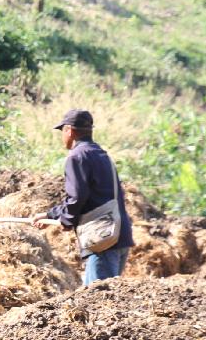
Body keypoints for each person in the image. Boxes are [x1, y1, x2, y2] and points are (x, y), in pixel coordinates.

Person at [33, 109, 135, 284]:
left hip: (103, 239)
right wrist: (50, 215)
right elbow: (93, 196)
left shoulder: (76, 157)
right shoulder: (101, 154)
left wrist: (66, 220)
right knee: (105, 294)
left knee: (100, 296)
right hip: (119, 234)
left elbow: (77, 197)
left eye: (62, 131)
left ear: (69, 131)